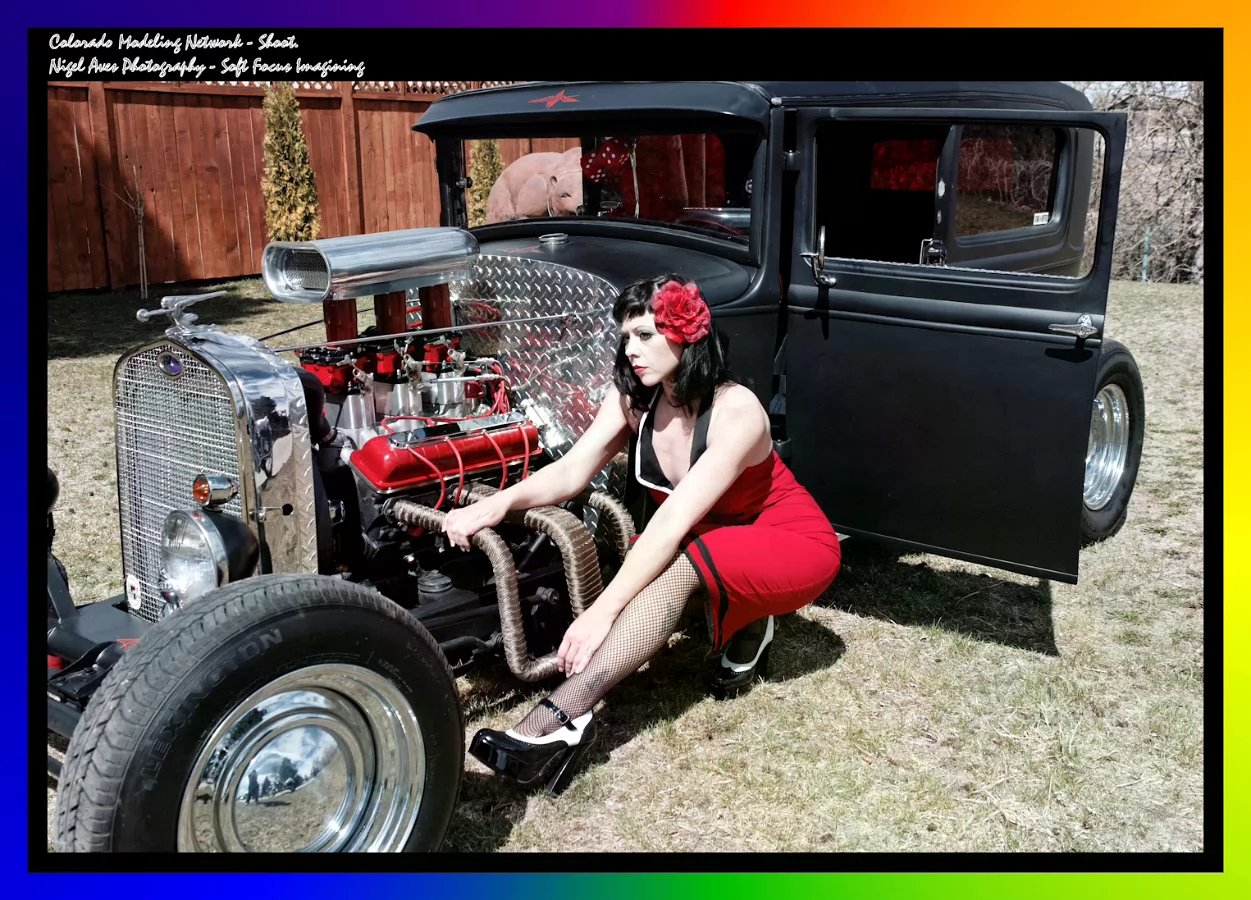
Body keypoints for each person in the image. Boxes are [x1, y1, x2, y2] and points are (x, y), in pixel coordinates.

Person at [443, 273, 841, 795]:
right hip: (705, 536)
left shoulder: (737, 409)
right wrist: (498, 503)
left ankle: (559, 716)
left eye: (646, 335)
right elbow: (572, 470)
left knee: (675, 564)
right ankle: (744, 618)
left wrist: (601, 613)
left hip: (789, 542)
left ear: (687, 336)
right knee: (674, 558)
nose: (631, 349)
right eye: (626, 336)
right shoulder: (635, 398)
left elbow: (671, 522)